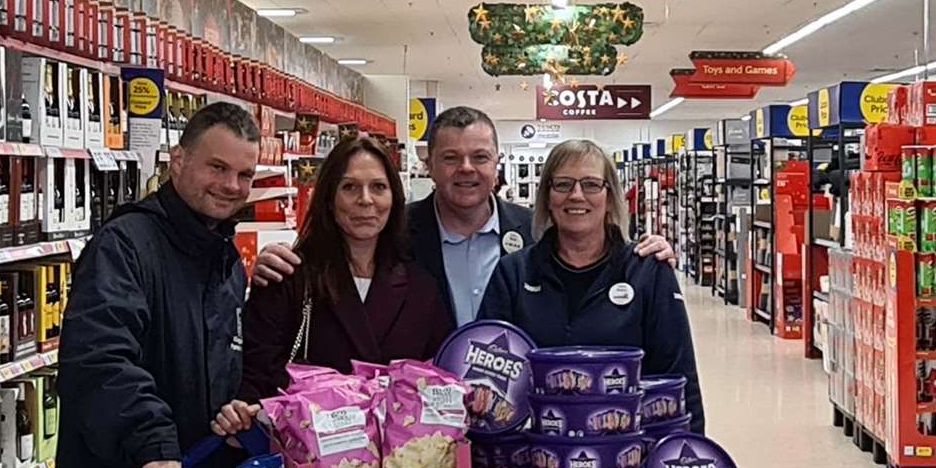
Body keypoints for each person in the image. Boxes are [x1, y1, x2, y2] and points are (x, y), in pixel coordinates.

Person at [54, 102, 261, 468]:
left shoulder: (222, 257)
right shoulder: (125, 246)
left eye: (244, 174)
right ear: (178, 163)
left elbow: (215, 361)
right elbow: (100, 357)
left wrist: (236, 409)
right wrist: (155, 444)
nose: (231, 185)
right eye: (217, 168)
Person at [232, 134, 454, 468]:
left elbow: (440, 386)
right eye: (351, 187)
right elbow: (259, 380)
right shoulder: (290, 279)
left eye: (378, 187)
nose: (366, 201)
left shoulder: (419, 287)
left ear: (395, 198)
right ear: (329, 198)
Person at [255, 106, 674, 325]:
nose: (467, 169)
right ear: (429, 165)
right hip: (420, 416)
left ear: (497, 164)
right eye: (451, 158)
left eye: (480, 157)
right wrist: (277, 262)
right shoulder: (396, 230)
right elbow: (337, 258)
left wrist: (647, 251)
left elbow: (592, 256)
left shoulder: (537, 230)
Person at [479, 138, 705, 434]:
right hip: (534, 459)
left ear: (610, 196)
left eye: (590, 184)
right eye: (562, 184)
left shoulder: (647, 271)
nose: (576, 195)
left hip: (626, 461)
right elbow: (485, 376)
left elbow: (679, 378)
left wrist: (688, 457)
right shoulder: (513, 272)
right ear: (547, 196)